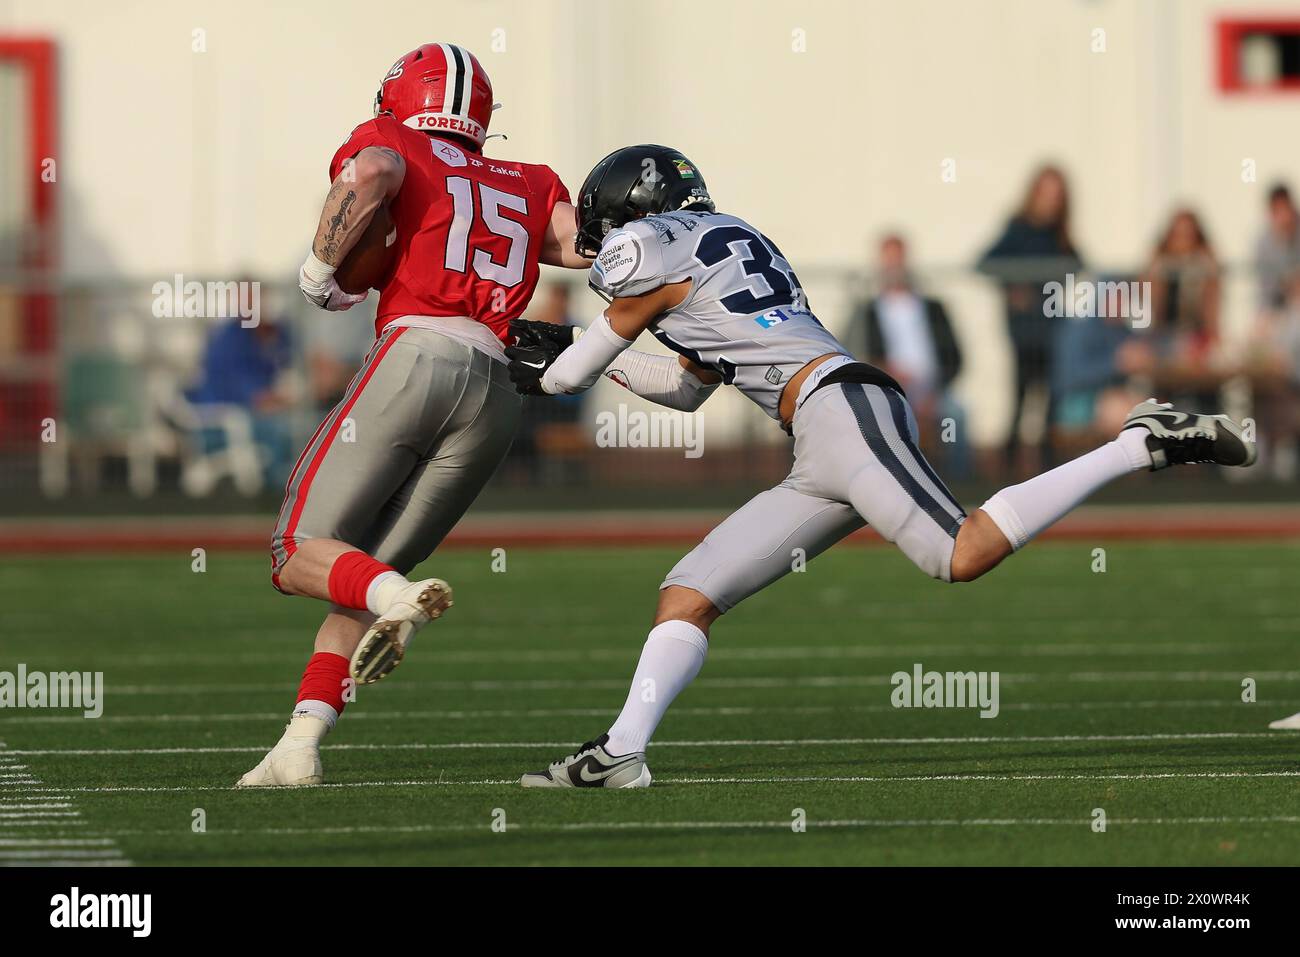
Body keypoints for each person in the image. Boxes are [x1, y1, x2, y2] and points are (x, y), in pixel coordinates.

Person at [504, 145, 1257, 789]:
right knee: (688, 591)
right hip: (820, 433)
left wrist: (561, 356)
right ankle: (623, 752)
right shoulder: (724, 240)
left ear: (635, 210)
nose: (600, 246)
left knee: (960, 554)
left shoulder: (649, 247)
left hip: (842, 409)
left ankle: (1139, 440)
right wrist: (585, 355)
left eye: (607, 227)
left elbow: (567, 375)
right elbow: (686, 388)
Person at [238, 43, 588, 788]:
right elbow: (588, 247)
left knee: (298, 549)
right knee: (365, 571)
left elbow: (372, 175)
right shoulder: (526, 179)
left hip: (417, 354)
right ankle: (300, 742)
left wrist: (319, 268)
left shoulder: (392, 142)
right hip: (496, 390)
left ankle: (396, 600)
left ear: (401, 97)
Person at [978, 165, 1082, 473]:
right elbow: (986, 263)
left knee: (1051, 402)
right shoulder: (1018, 229)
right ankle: (1006, 473)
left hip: (1051, 329)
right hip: (1024, 332)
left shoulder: (1059, 234)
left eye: (1056, 195)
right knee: (1021, 398)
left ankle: (1050, 472)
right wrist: (1015, 285)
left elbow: (1076, 263)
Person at [849, 233, 966, 475]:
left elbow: (955, 356)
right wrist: (890, 377)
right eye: (889, 260)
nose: (895, 267)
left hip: (933, 389)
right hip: (888, 388)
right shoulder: (867, 311)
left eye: (899, 259)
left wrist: (934, 392)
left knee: (955, 417)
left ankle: (959, 484)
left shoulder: (934, 308)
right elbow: (857, 355)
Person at [1255, 183, 1300, 311]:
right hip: (1278, 306)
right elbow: (1266, 291)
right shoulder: (1263, 243)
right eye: (1277, 211)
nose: (1284, 217)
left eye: (1285, 208)